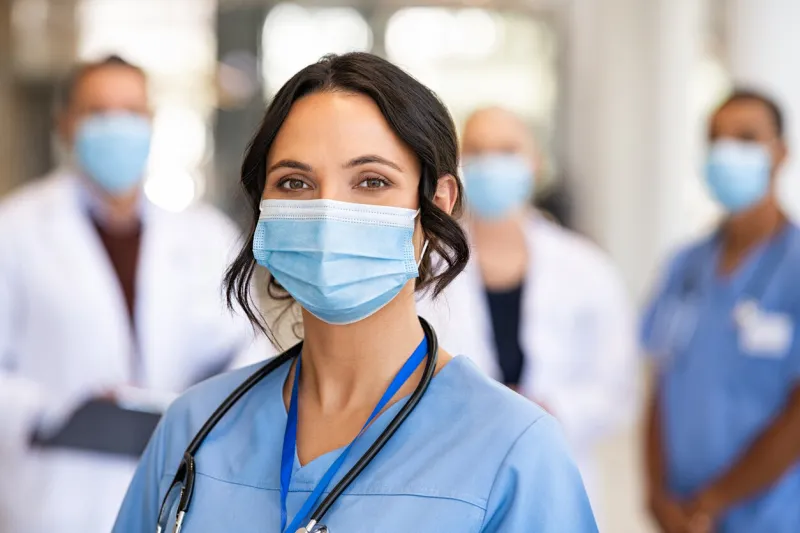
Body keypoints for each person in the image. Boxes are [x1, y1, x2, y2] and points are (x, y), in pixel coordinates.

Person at [112, 52, 597, 533]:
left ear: (437, 205)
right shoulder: (195, 428)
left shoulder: (515, 449)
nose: (328, 213)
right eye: (295, 182)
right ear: (264, 207)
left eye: (371, 181)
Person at [0, 56, 269, 533]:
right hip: (57, 499)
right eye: (97, 112)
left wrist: (206, 401)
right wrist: (52, 413)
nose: (116, 126)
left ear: (150, 123)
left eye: (130, 111)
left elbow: (245, 342)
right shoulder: (14, 230)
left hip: (178, 488)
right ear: (65, 124)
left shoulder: (203, 234)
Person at [416, 106, 638, 507]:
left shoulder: (587, 269)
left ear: (535, 163)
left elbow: (617, 390)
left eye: (507, 150)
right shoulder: (427, 268)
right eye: (478, 151)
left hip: (556, 477)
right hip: (453, 477)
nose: (491, 164)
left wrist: (550, 408)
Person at [642, 89, 800, 533]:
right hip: (682, 516)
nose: (728, 152)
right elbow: (661, 384)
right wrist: (657, 495)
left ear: (780, 153)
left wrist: (712, 502)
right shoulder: (684, 266)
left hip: (770, 517)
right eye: (717, 139)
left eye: (746, 138)